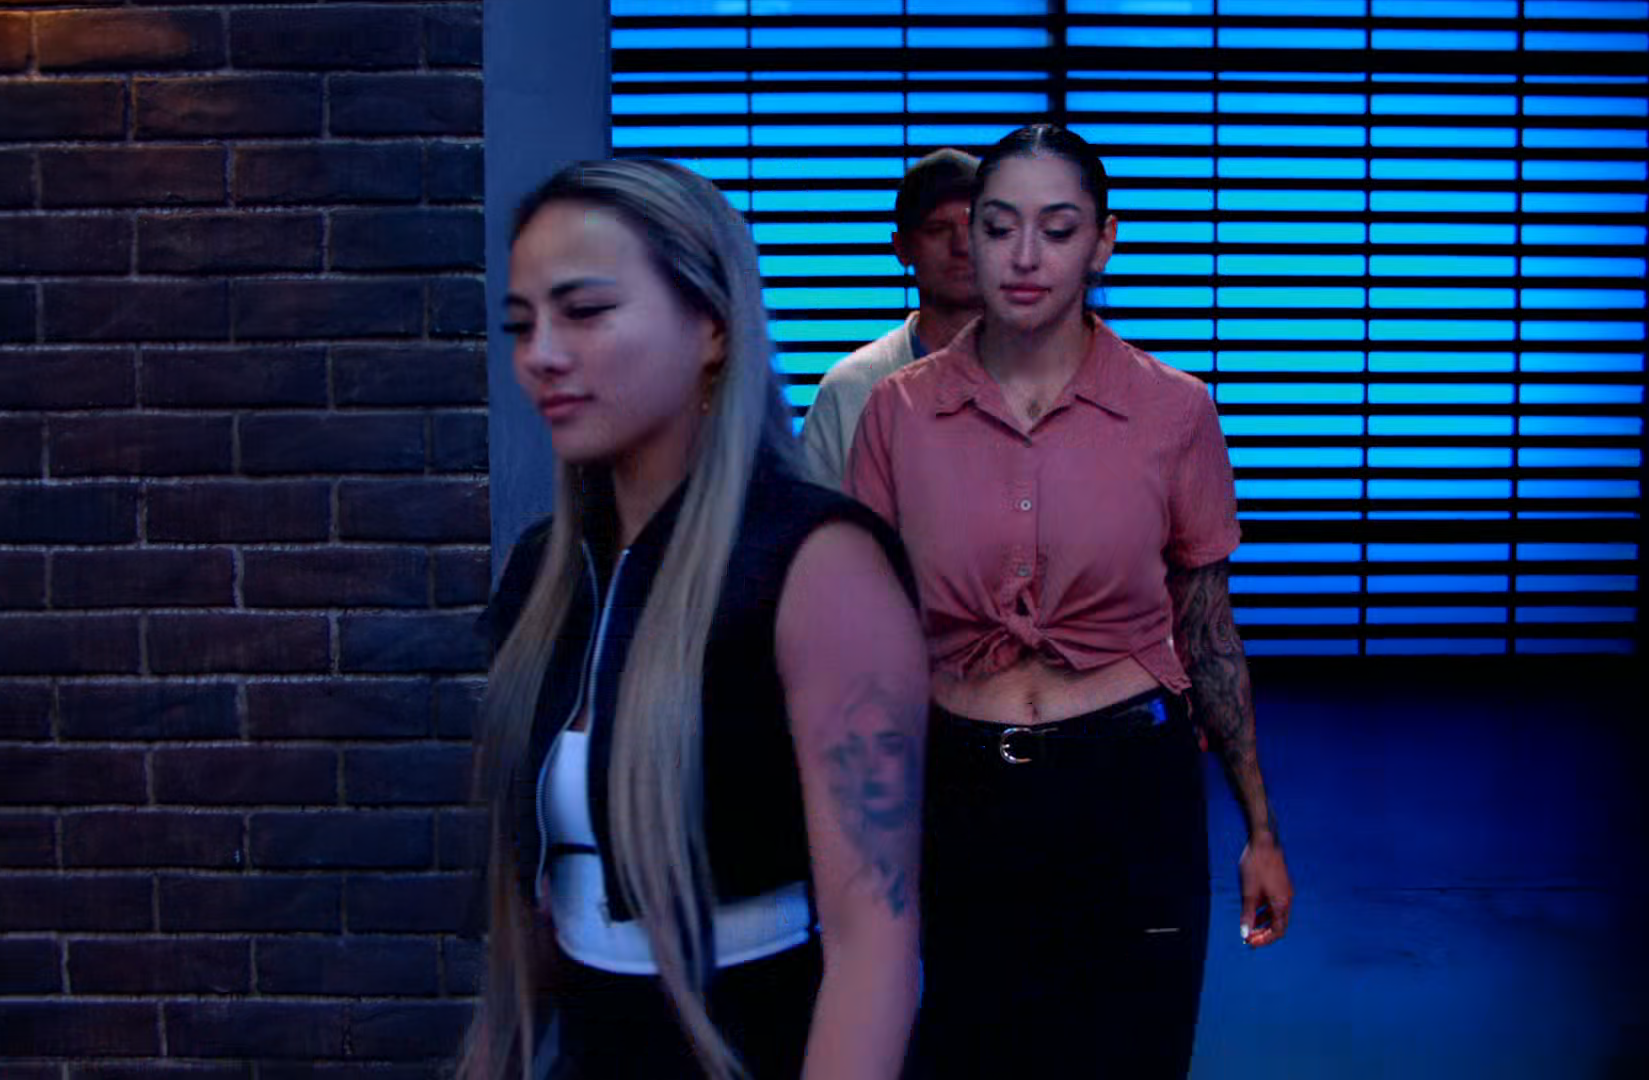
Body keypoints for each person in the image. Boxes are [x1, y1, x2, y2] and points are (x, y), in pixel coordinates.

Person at [463, 158, 929, 1080]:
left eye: (585, 311)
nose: (541, 354)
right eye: (522, 324)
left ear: (711, 325)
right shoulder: (545, 573)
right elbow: (539, 910)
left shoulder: (819, 563)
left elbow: (875, 950)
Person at [846, 124, 1296, 1078]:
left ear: (1102, 242)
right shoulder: (898, 412)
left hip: (1130, 785)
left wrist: (1259, 828)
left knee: (1132, 1054)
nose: (1024, 256)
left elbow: (1209, 632)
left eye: (1056, 229)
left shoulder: (1175, 410)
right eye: (997, 226)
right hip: (962, 787)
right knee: (972, 1053)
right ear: (969, 240)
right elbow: (864, 645)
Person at [799, 149, 984, 490]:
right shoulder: (850, 389)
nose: (961, 246)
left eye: (976, 227)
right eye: (937, 229)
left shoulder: (1045, 378)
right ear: (902, 248)